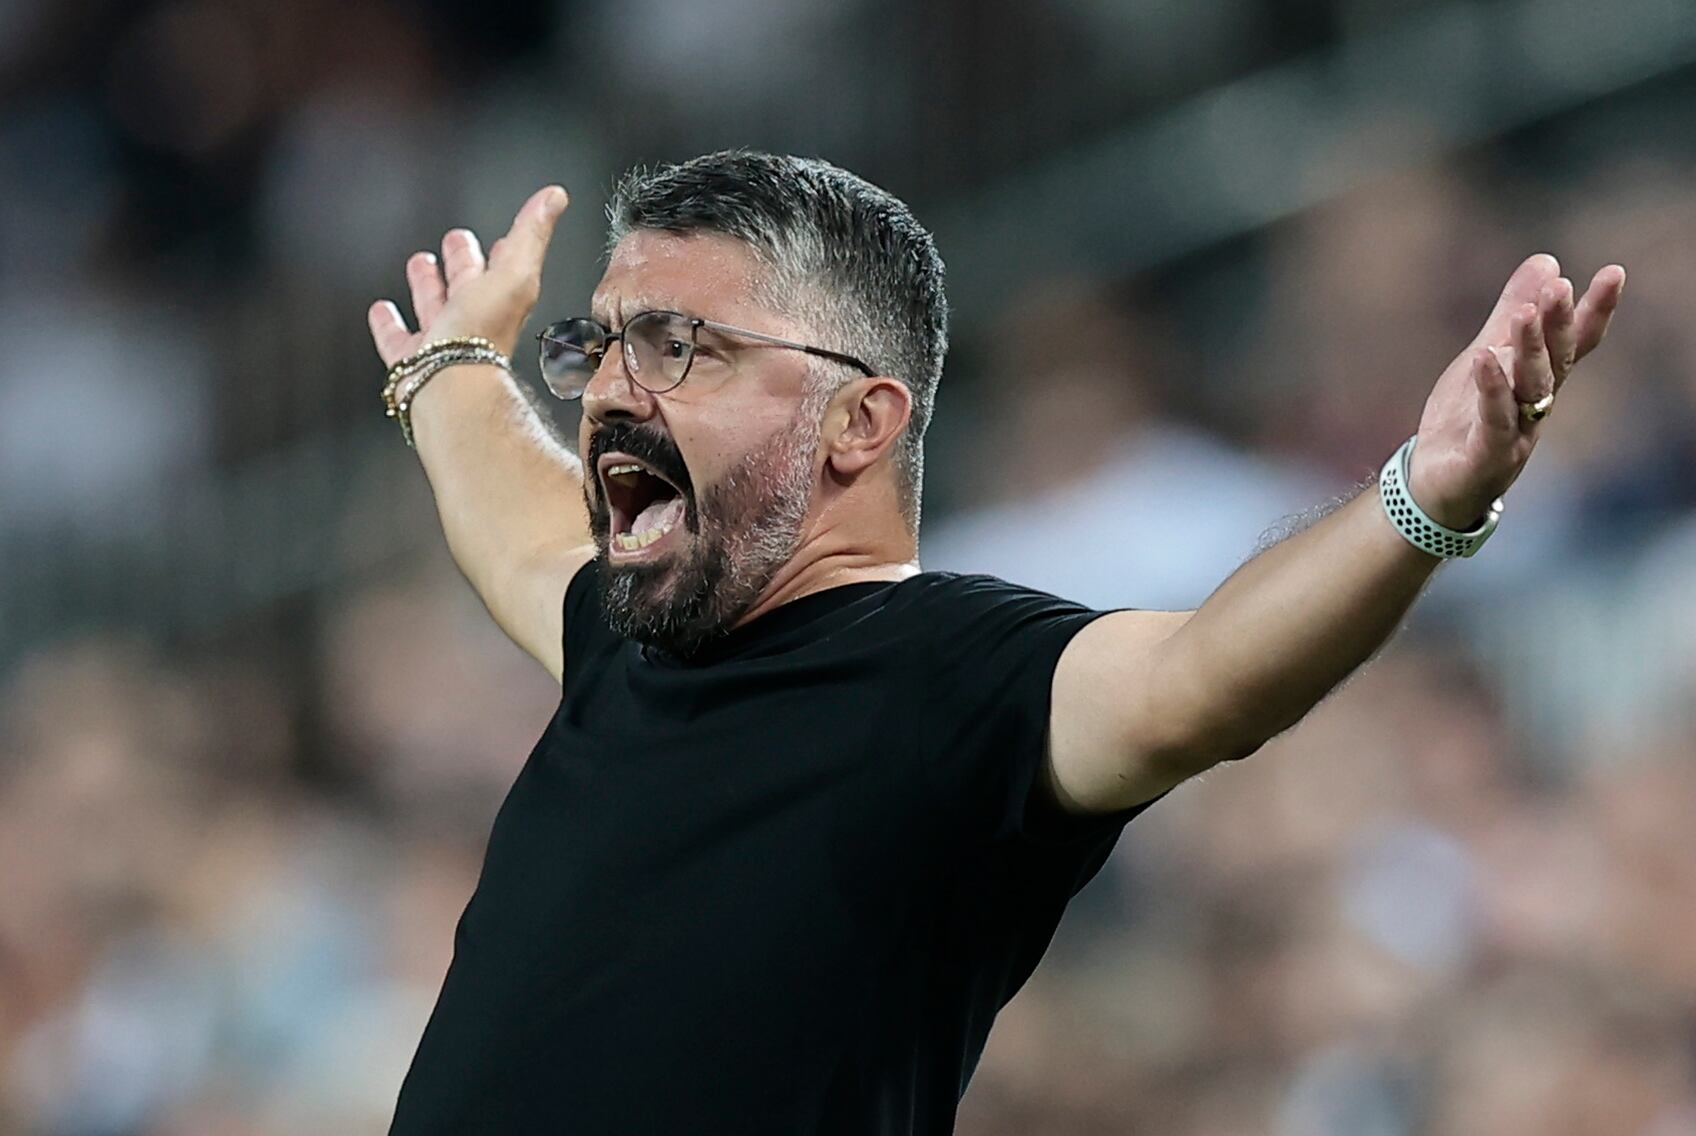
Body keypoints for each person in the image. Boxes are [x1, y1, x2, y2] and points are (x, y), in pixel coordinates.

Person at [364, 150, 1624, 1134]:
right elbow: (522, 528)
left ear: (858, 419)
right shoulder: (626, 642)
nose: (610, 394)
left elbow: (1201, 679)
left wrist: (1426, 499)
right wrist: (453, 367)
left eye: (677, 347)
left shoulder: (949, 673)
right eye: (599, 346)